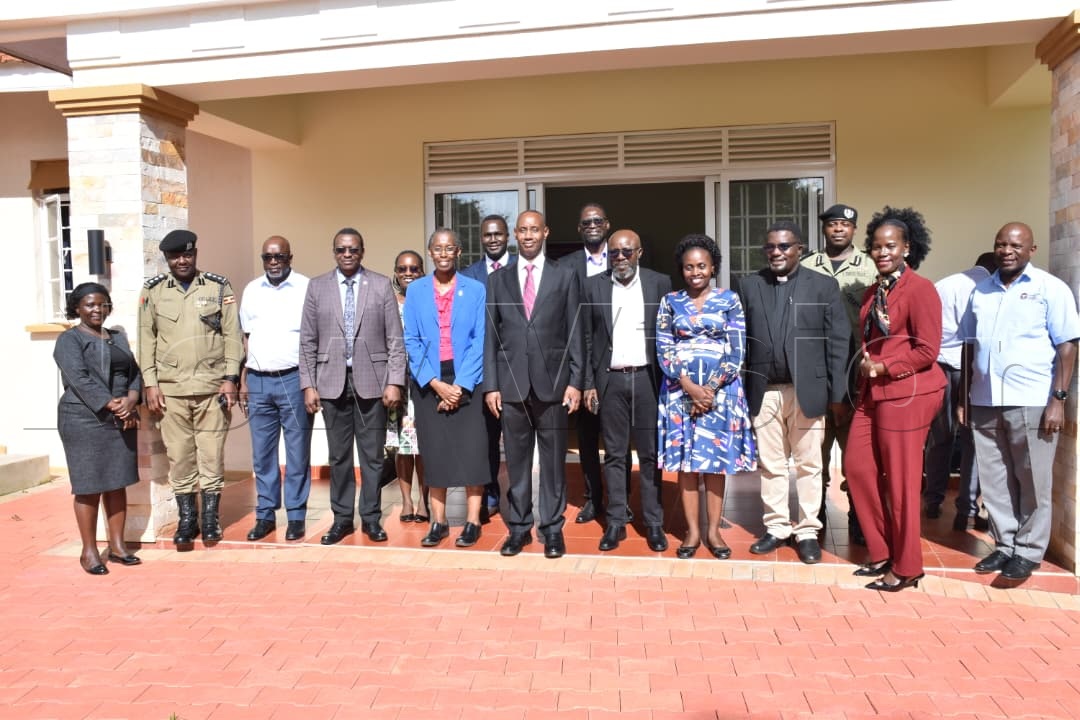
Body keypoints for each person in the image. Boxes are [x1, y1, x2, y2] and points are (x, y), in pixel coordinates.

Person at [961, 222, 1080, 581]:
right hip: (984, 398)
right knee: (995, 480)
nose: (1006, 250)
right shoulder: (980, 291)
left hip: (1031, 399)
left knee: (1032, 479)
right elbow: (970, 346)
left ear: (1032, 249)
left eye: (1015, 245)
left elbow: (1068, 345)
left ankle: (1028, 551)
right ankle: (1004, 545)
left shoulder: (1050, 289)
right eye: (1000, 244)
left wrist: (1058, 399)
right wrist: (964, 396)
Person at [845, 207, 945, 592]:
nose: (882, 252)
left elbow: (927, 350)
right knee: (857, 468)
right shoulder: (874, 291)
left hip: (909, 393)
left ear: (907, 247)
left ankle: (907, 567)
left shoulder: (921, 289)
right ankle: (883, 549)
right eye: (876, 246)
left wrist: (885, 367)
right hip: (873, 392)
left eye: (891, 245)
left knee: (901, 483)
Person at [738, 221, 850, 565]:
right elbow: (740, 339)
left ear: (799, 249)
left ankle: (806, 531)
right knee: (771, 465)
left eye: (784, 246)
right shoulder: (749, 285)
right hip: (765, 390)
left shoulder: (823, 286)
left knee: (809, 465)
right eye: (770, 247)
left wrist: (837, 393)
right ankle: (776, 528)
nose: (776, 252)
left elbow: (838, 340)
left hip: (808, 390)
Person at [483, 210, 584, 559]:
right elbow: (490, 338)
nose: (527, 236)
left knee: (554, 464)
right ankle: (519, 528)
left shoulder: (565, 276)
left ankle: (552, 529)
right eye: (522, 230)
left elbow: (575, 332)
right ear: (515, 234)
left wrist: (575, 381)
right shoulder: (498, 280)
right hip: (511, 388)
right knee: (517, 462)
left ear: (545, 232)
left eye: (534, 230)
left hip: (554, 386)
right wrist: (491, 386)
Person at [299, 228, 406, 545]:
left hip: (373, 383)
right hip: (331, 383)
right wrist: (308, 384)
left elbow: (394, 339)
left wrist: (395, 381)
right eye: (341, 250)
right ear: (334, 252)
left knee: (372, 457)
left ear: (362, 251)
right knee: (339, 457)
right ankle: (343, 520)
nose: (347, 255)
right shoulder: (317, 287)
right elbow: (307, 340)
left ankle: (371, 519)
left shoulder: (379, 285)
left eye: (353, 250)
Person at [139, 229, 243, 547]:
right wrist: (150, 383)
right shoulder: (153, 291)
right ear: (167, 259)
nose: (182, 260)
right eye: (175, 256)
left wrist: (231, 378)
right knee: (180, 457)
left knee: (211, 455)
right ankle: (187, 520)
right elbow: (146, 339)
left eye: (187, 254)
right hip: (171, 391)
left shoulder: (217, 286)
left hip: (213, 388)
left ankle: (210, 519)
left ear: (195, 254)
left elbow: (232, 335)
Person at [657, 234, 756, 559]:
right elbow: (664, 345)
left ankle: (714, 532)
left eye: (702, 266)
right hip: (679, 393)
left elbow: (737, 347)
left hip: (721, 395)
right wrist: (687, 385)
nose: (695, 272)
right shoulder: (670, 302)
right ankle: (692, 532)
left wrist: (711, 388)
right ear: (681, 270)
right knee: (686, 464)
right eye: (688, 267)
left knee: (714, 465)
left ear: (713, 267)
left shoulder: (730, 300)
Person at [581, 230, 672, 552]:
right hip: (611, 381)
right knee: (615, 455)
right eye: (614, 253)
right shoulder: (594, 286)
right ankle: (616, 521)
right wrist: (589, 383)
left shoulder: (660, 283)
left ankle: (654, 524)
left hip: (648, 379)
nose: (620, 258)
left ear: (639, 252)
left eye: (626, 252)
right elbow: (587, 338)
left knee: (649, 455)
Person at [404, 229, 489, 547]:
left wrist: (461, 386)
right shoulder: (416, 291)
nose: (442, 253)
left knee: (472, 450)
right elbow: (411, 340)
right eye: (437, 248)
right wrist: (437, 384)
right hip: (430, 380)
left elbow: (479, 340)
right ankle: (438, 522)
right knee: (435, 451)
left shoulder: (475, 289)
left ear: (458, 252)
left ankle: (472, 521)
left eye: (449, 248)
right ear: (429, 252)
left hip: (467, 377)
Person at [800, 203, 876, 543]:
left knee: (857, 454)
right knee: (815, 449)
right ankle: (814, 516)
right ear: (824, 229)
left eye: (845, 225)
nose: (838, 230)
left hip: (856, 368)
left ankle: (859, 518)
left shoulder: (871, 267)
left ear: (854, 229)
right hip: (817, 367)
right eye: (832, 225)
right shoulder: (806, 265)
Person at [54, 283, 142, 574]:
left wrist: (131, 400)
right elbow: (79, 379)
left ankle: (117, 547)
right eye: (90, 304)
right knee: (89, 485)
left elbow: (134, 373)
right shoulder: (69, 340)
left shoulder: (117, 337)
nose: (97, 310)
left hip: (120, 415)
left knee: (117, 482)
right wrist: (113, 405)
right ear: (77, 308)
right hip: (84, 418)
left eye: (103, 304)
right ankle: (89, 552)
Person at [238, 236, 312, 543]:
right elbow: (246, 336)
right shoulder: (252, 290)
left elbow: (313, 337)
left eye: (279, 257)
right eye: (268, 257)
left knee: (297, 452)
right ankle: (265, 515)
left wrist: (310, 383)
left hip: (294, 379)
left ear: (290, 257)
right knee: (263, 454)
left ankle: (295, 516)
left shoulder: (307, 288)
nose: (273, 262)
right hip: (258, 380)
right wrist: (243, 378)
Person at [562, 203, 631, 525]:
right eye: (586, 221)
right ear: (579, 228)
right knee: (587, 437)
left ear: (607, 224)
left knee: (619, 439)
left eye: (597, 221)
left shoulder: (625, 256)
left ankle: (622, 500)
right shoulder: (565, 266)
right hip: (583, 362)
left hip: (620, 363)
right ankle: (593, 498)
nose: (592, 225)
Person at [922, 252, 996, 531]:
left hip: (939, 367)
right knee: (971, 441)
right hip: (970, 370)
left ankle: (933, 501)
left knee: (939, 437)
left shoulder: (945, 284)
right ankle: (966, 508)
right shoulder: (987, 289)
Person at [461, 214, 516, 517]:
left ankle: (519, 496)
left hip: (516, 369)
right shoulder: (468, 275)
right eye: (487, 235)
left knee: (518, 438)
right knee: (485, 438)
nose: (493, 239)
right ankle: (488, 492)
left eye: (498, 234)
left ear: (507, 236)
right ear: (480, 238)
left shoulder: (521, 270)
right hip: (481, 370)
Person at [387, 250, 428, 524]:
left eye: (414, 269)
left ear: (422, 271)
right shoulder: (389, 303)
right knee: (402, 446)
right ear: (396, 272)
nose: (408, 274)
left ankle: (424, 502)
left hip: (424, 382)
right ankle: (405, 502)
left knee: (424, 446)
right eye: (403, 269)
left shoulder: (430, 300)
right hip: (398, 385)